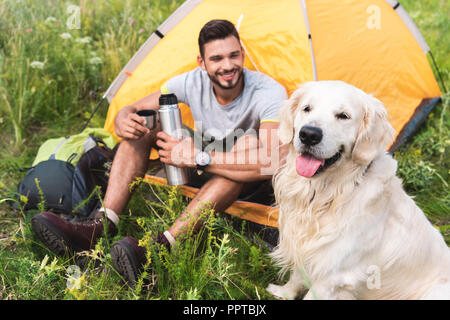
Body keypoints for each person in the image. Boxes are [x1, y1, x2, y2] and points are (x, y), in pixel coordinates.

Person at [31, 19, 287, 286]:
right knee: (144, 123)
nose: (227, 66)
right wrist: (123, 118)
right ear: (202, 62)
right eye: (217, 58)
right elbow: (131, 109)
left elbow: (271, 161)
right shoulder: (191, 81)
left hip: (240, 180)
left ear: (242, 55)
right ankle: (101, 226)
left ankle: (160, 249)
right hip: (197, 161)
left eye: (234, 55)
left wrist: (197, 157)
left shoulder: (268, 92)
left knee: (246, 147)